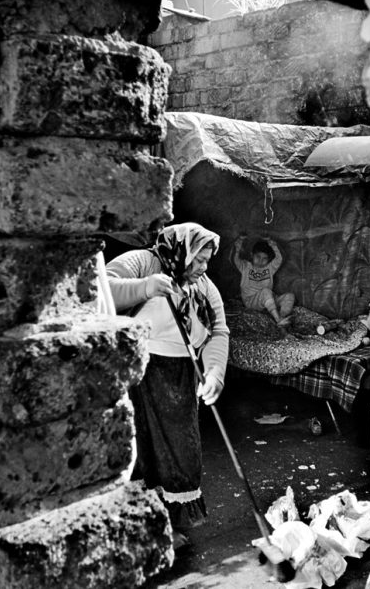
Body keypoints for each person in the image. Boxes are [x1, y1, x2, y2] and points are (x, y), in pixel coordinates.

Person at [105, 222, 229, 548]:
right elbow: (100, 289)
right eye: (198, 259)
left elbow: (219, 330)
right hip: (136, 370)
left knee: (179, 452)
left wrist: (214, 371)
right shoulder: (145, 262)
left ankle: (165, 526)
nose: (203, 268)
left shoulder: (202, 284)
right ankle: (137, 528)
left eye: (207, 260)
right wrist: (145, 287)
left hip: (178, 376)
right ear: (180, 250)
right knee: (139, 450)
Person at [232, 236, 295, 326]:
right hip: (251, 301)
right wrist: (239, 243)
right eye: (258, 257)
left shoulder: (269, 268)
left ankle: (282, 317)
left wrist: (271, 243)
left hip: (268, 300)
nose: (260, 261)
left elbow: (279, 259)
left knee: (289, 296)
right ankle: (278, 320)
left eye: (264, 258)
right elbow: (236, 259)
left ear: (268, 260)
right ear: (251, 255)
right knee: (266, 292)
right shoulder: (245, 266)